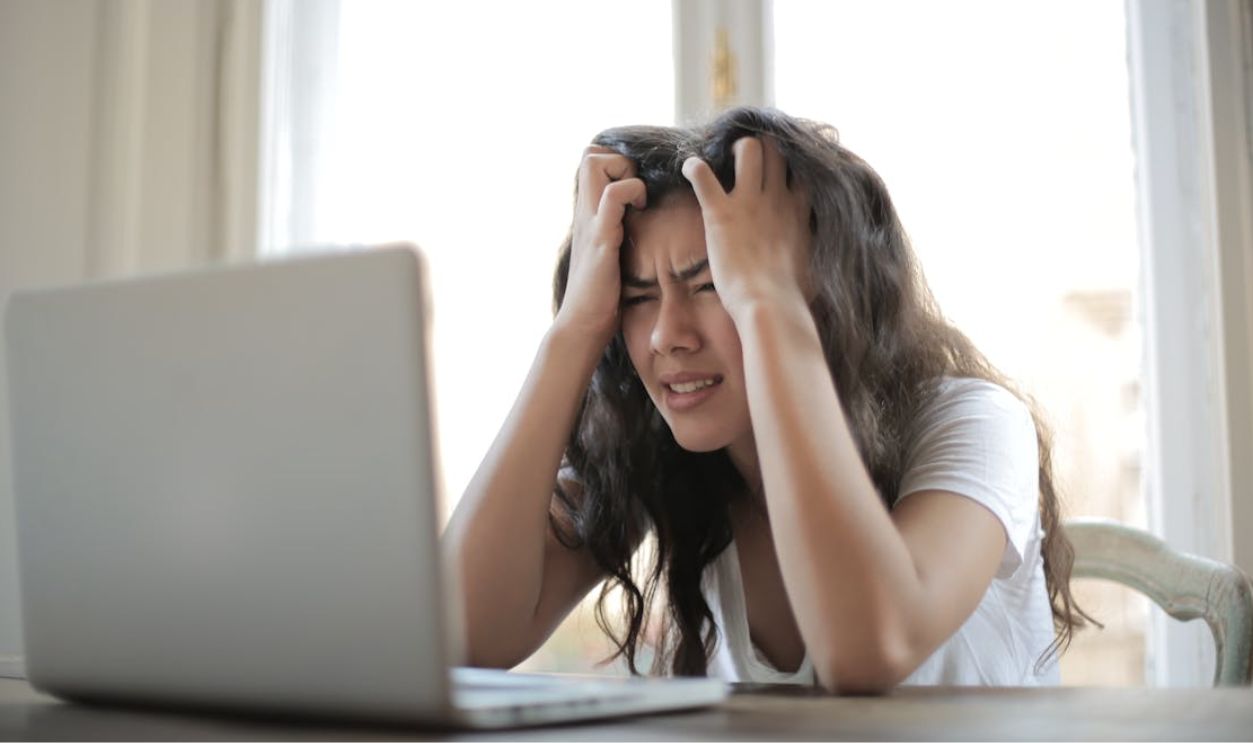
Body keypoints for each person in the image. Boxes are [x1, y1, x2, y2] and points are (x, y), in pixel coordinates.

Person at [443, 106, 1093, 692]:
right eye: (637, 297)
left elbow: (868, 649)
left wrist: (766, 304)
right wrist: (574, 330)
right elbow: (460, 636)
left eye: (712, 284)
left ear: (822, 290)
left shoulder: (974, 421)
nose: (667, 335)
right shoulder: (665, 455)